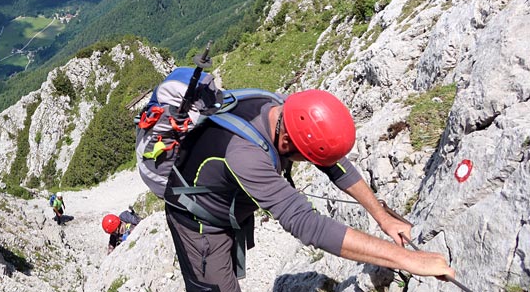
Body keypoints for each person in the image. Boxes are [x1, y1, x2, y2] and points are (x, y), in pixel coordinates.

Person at [164, 89, 455, 292]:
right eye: (306, 155)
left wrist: (383, 217)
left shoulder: (282, 108)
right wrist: (410, 260)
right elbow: (307, 225)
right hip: (199, 225)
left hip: (228, 199)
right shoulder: (244, 155)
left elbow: (332, 163)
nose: (310, 162)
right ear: (288, 143)